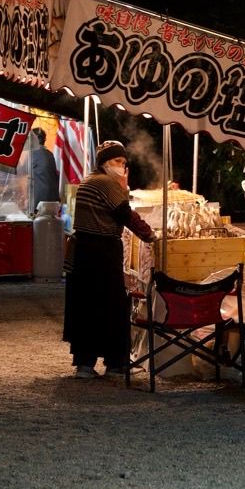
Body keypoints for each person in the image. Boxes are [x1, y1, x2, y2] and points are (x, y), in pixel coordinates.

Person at [63, 141, 156, 378]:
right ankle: (116, 363)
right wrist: (151, 235)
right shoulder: (105, 183)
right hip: (101, 252)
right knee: (112, 305)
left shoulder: (88, 180)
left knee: (86, 307)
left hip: (84, 252)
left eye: (124, 163)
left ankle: (85, 364)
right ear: (105, 162)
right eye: (117, 162)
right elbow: (127, 215)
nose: (122, 167)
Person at [25, 126, 61, 209]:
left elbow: (21, 171)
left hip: (40, 201)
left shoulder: (33, 154)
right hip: (53, 199)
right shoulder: (50, 154)